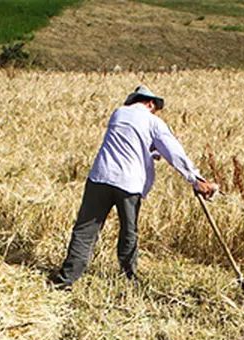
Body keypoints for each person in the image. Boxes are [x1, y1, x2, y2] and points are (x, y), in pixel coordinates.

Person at [51, 85, 217, 290]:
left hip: (100, 177)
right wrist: (196, 179)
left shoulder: (118, 114)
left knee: (85, 230)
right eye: (155, 107)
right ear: (150, 103)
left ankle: (66, 280)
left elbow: (134, 145)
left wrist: (155, 150)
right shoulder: (154, 122)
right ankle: (128, 279)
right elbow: (173, 153)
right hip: (129, 184)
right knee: (128, 232)